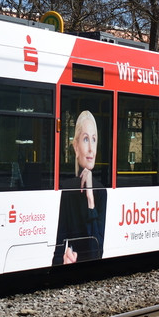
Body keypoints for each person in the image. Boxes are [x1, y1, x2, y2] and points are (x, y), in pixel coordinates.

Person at [53, 110, 107, 265]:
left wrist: (90, 200)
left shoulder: (100, 191)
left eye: (94, 139)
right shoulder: (68, 189)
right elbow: (59, 245)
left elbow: (97, 251)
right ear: (75, 146)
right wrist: (62, 261)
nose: (91, 149)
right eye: (85, 139)